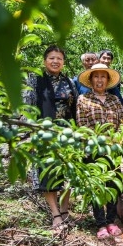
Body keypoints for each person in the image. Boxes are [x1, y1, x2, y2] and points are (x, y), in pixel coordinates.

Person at [22, 45, 78, 232]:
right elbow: (28, 109)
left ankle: (64, 211)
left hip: (67, 133)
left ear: (63, 61)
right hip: (44, 133)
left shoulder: (69, 82)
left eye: (59, 58)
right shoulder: (35, 80)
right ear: (45, 60)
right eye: (52, 58)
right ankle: (55, 214)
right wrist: (31, 133)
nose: (55, 61)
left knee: (68, 171)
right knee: (48, 172)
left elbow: (75, 108)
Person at [76, 63, 123, 239]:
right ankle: (100, 223)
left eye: (102, 76)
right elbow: (83, 125)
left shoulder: (114, 100)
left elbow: (121, 124)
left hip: (113, 149)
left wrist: (117, 141)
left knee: (112, 184)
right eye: (96, 76)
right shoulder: (83, 99)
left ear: (107, 80)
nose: (99, 80)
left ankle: (111, 220)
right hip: (93, 149)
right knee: (96, 185)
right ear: (90, 80)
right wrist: (98, 141)